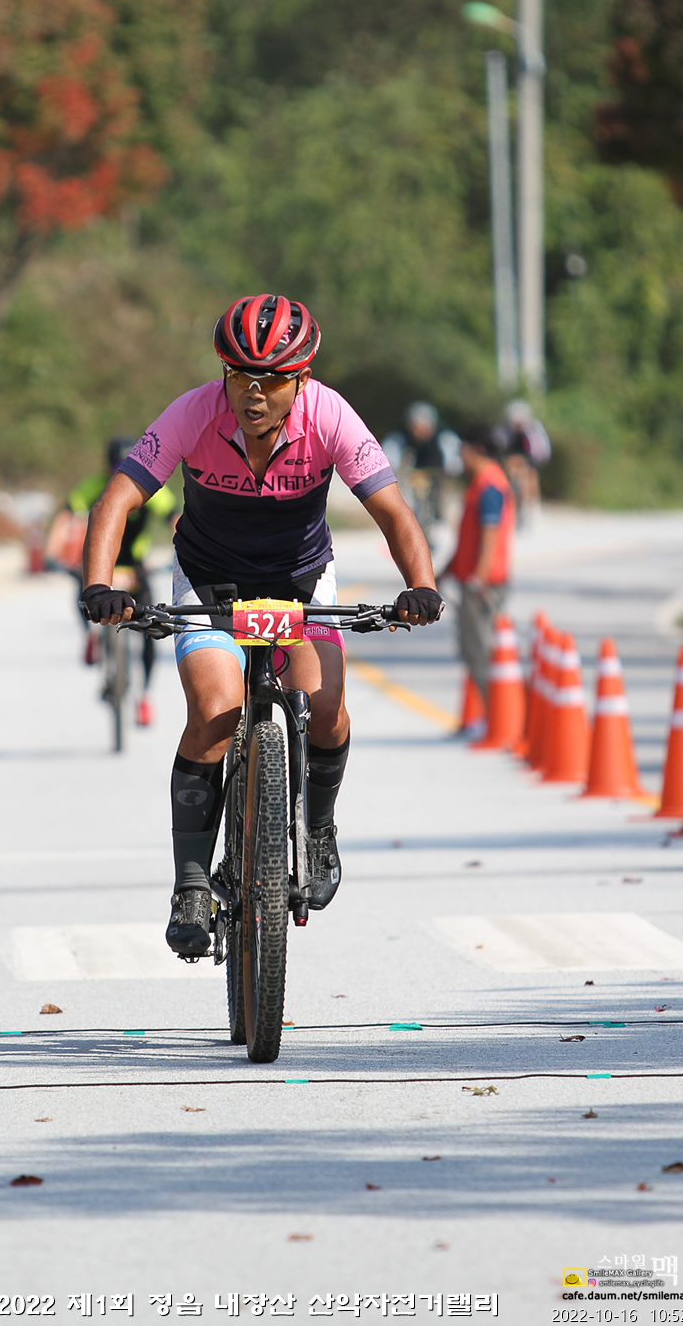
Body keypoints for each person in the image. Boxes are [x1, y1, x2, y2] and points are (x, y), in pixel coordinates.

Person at [78, 294, 443, 959]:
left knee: (325, 707)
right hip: (208, 580)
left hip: (299, 581)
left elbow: (394, 512)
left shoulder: (330, 415)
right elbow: (117, 499)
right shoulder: (193, 412)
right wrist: (99, 586)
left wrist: (421, 586)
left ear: (301, 379)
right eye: (239, 375)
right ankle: (192, 883)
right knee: (215, 712)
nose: (253, 392)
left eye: (272, 379)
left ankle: (319, 829)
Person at [46, 436, 177, 724]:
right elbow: (65, 517)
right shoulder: (93, 486)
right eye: (115, 467)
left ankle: (144, 696)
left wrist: (183, 550)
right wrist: (51, 554)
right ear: (106, 467)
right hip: (103, 566)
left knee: (151, 628)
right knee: (83, 591)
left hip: (135, 567)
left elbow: (175, 518)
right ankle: (91, 635)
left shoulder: (150, 486)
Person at [438, 424, 515, 709]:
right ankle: (490, 716)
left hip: (483, 585)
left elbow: (490, 536)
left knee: (483, 652)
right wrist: (444, 572)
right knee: (472, 650)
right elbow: (468, 540)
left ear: (477, 449)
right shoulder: (481, 483)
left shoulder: (490, 486)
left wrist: (478, 578)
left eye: (464, 449)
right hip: (472, 580)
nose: (460, 455)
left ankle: (499, 717)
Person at [381, 402, 462, 540]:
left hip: (435, 471)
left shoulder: (442, 434)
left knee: (439, 495)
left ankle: (438, 518)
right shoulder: (401, 433)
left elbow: (453, 453)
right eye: (415, 427)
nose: (419, 432)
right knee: (412, 498)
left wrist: (451, 468)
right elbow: (391, 449)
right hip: (415, 471)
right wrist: (391, 468)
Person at [494, 399, 550, 527]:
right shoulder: (504, 429)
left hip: (530, 461)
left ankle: (531, 508)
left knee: (530, 476)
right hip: (510, 462)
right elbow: (498, 446)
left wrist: (528, 463)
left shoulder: (534, 430)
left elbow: (541, 452)